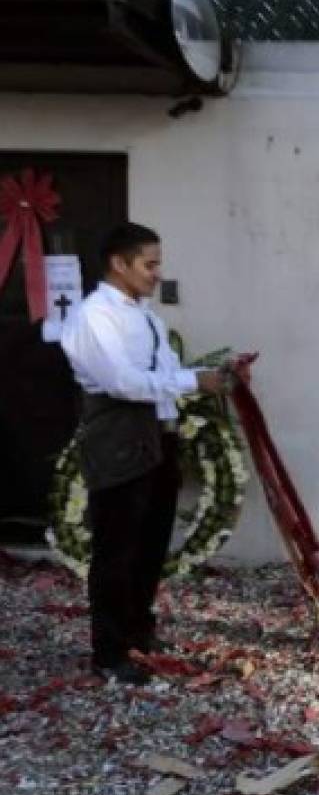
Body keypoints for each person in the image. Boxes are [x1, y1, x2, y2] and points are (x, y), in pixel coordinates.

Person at [61, 222, 240, 685]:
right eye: (150, 263)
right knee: (116, 550)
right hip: (118, 439)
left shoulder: (145, 315)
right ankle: (110, 653)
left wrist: (212, 376)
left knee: (149, 544)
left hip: (157, 438)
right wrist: (192, 381)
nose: (157, 273)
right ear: (119, 263)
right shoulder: (94, 316)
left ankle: (139, 631)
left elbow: (166, 375)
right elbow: (123, 383)